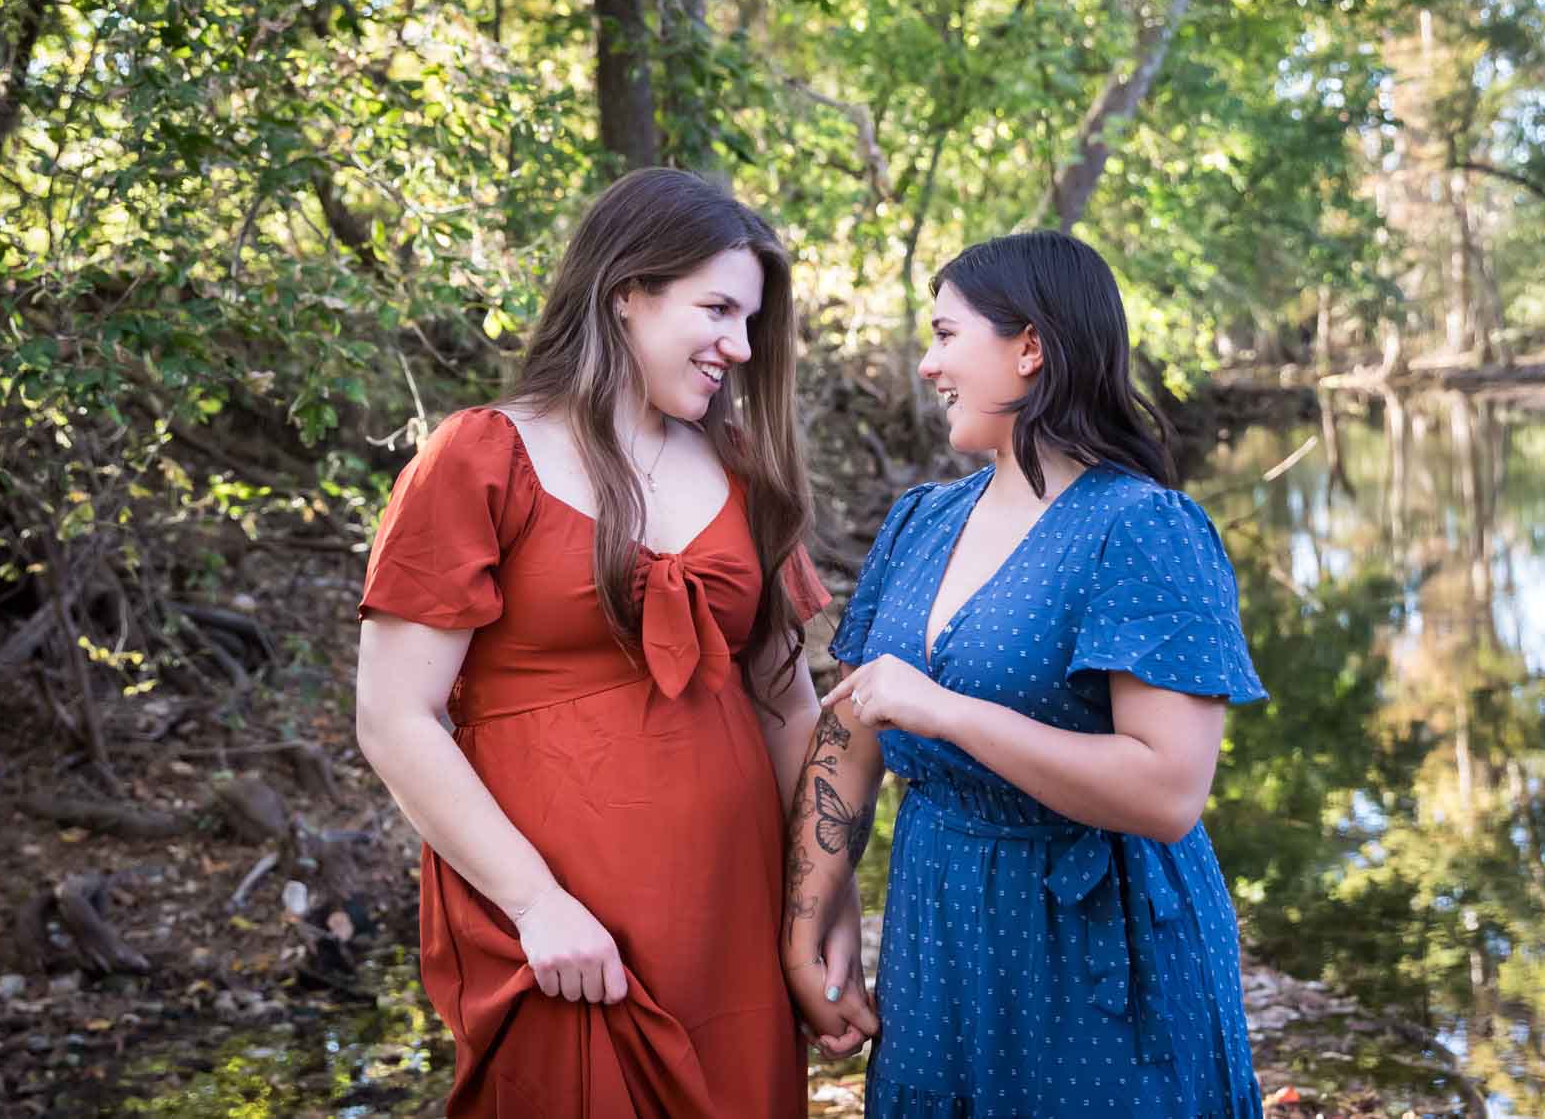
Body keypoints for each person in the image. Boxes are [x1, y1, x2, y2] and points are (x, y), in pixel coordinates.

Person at [354, 168, 869, 1118]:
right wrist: (535, 903)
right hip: (561, 940)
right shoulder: (479, 455)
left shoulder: (744, 473)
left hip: (734, 924)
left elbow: (791, 711)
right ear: (626, 290)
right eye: (717, 309)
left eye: (751, 321)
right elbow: (395, 717)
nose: (739, 346)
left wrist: (822, 910)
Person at [782, 232, 1266, 1116]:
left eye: (946, 334)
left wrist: (948, 712)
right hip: (940, 939)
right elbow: (851, 730)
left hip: (1097, 953)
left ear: (1031, 346)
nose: (927, 364)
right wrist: (808, 927)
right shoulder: (919, 521)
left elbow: (1168, 790)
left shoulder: (1144, 528)